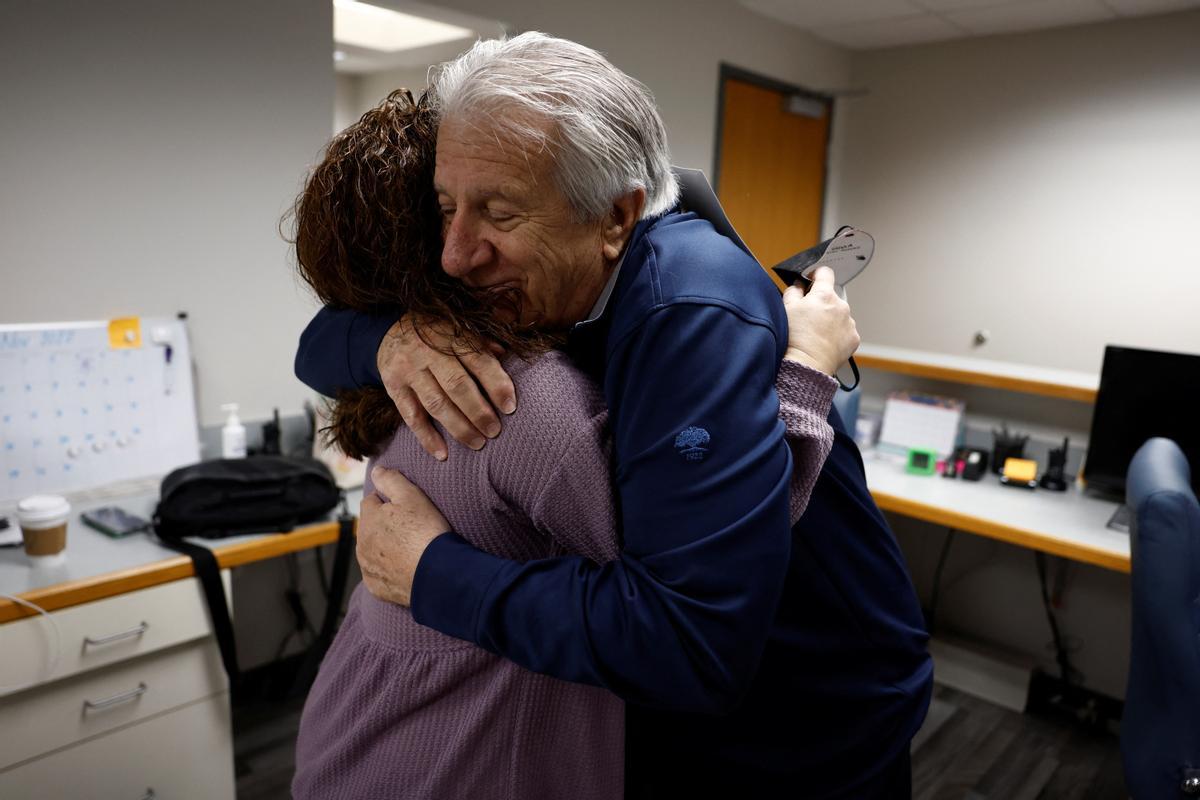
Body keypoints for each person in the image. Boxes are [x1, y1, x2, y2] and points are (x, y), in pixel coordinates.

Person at [295, 34, 932, 798]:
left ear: (617, 217)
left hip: (808, 717)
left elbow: (689, 642)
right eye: (444, 209)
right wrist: (390, 340)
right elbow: (317, 343)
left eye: (496, 212)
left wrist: (431, 572)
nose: (455, 255)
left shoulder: (688, 306)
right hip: (664, 714)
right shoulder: (535, 266)